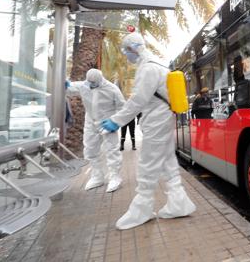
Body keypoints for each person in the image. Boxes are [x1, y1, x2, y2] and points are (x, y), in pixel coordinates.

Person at [101, 32, 196, 230]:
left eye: (126, 52)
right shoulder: (160, 65)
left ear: (134, 48)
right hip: (164, 118)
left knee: (147, 163)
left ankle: (141, 209)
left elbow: (138, 100)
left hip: (156, 121)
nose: (127, 56)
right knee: (168, 161)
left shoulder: (148, 68)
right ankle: (179, 204)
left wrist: (116, 121)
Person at [66, 69, 125, 192]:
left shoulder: (112, 89)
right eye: (89, 82)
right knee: (90, 149)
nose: (91, 84)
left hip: (107, 123)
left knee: (112, 150)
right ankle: (97, 176)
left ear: (100, 79)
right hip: (90, 122)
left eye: (94, 82)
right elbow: (70, 89)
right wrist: (65, 85)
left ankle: (115, 177)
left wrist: (116, 122)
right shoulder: (84, 85)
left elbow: (123, 107)